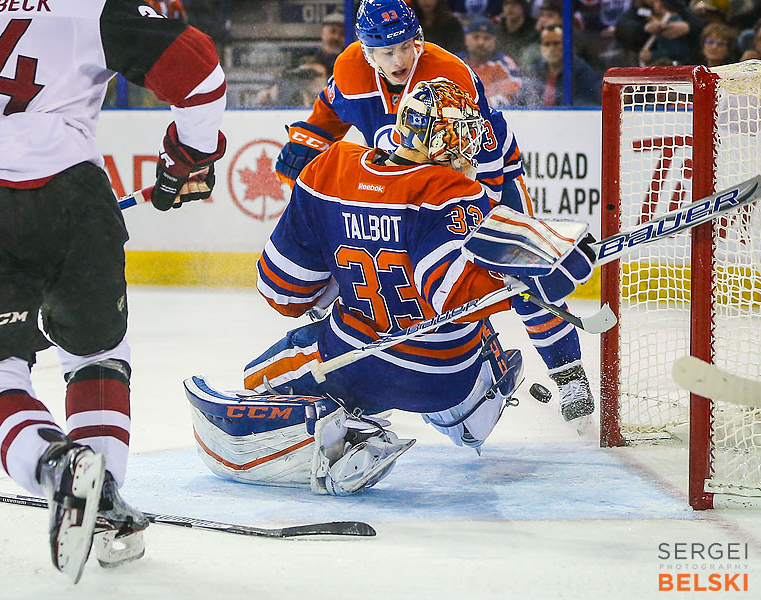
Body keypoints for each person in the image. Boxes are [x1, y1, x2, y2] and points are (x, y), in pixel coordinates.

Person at [0, 0, 226, 584]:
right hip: (74, 201)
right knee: (97, 357)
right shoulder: (89, 8)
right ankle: (105, 507)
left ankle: (58, 466)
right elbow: (196, 67)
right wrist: (186, 160)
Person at [184, 78, 595, 496]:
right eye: (463, 140)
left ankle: (348, 434)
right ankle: (474, 408)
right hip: (445, 378)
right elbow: (454, 293)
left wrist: (339, 279)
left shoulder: (329, 169)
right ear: (440, 143)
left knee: (258, 382)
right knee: (465, 334)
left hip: (354, 363)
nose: (472, 153)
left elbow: (282, 290)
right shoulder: (457, 193)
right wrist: (540, 269)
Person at [275, 0, 596, 427]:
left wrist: (488, 226)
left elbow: (476, 162)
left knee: (519, 269)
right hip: (411, 185)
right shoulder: (350, 68)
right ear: (366, 50)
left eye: (407, 46)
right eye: (387, 51)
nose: (400, 59)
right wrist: (305, 150)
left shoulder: (450, 74)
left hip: (480, 171)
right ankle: (479, 350)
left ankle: (569, 373)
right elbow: (325, 118)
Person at [516, 25, 601, 106]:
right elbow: (519, 101)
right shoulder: (535, 71)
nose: (551, 48)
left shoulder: (580, 70)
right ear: (541, 47)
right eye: (547, 44)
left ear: (566, 45)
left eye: (556, 43)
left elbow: (585, 102)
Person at [460, 16, 522, 106]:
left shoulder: (503, 62)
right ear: (466, 39)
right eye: (476, 37)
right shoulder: (455, 61)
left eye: (486, 38)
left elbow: (513, 88)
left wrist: (482, 105)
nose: (481, 42)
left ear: (494, 40)